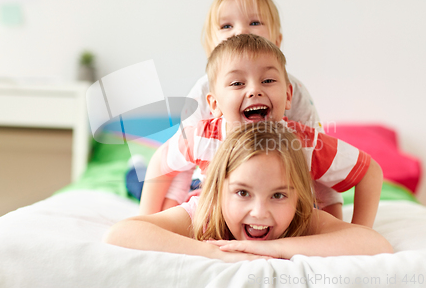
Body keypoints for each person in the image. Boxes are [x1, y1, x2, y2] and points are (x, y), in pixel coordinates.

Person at [139, 0, 344, 218]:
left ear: (277, 42)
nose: (241, 32)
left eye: (254, 23)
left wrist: (332, 215)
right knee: (164, 188)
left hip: (274, 189)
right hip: (215, 184)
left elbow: (316, 154)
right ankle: (135, 172)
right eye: (227, 25)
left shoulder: (292, 90)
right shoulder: (203, 91)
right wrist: (161, 216)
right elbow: (181, 161)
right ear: (211, 49)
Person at [140, 34, 383, 228]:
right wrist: (146, 218)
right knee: (138, 181)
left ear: (288, 96)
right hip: (202, 193)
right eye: (237, 83)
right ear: (214, 105)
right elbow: (161, 163)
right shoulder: (202, 138)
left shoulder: (304, 144)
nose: (254, 90)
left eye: (267, 81)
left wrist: (359, 229)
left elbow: (369, 172)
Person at [105, 122, 393, 262]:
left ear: (298, 197)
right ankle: (135, 166)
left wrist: (274, 248)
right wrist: (216, 254)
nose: (259, 212)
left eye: (278, 195)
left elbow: (375, 243)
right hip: (196, 187)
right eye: (243, 193)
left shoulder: (300, 217)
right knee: (139, 184)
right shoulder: (204, 212)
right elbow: (120, 233)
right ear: (220, 193)